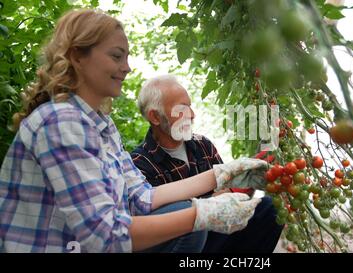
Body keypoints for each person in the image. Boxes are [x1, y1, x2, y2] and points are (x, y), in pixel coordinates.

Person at [0, 9, 269, 253]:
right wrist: (200, 215)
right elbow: (103, 236)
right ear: (77, 57)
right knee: (190, 221)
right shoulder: (61, 122)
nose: (127, 67)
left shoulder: (101, 125)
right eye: (116, 56)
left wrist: (221, 174)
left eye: (126, 57)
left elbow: (141, 197)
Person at [131, 75, 283, 253]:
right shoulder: (139, 164)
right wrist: (208, 206)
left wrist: (249, 175)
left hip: (218, 232)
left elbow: (226, 189)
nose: (192, 115)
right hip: (186, 243)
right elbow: (159, 227)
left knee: (270, 209)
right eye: (182, 108)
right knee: (197, 224)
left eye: (190, 106)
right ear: (155, 117)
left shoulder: (202, 144)